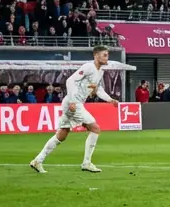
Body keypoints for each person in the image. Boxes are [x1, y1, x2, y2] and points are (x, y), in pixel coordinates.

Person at [29, 45, 120, 174]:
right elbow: (70, 81)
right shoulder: (88, 67)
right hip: (74, 103)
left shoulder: (100, 72)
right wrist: (72, 100)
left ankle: (37, 160)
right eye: (104, 55)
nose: (107, 57)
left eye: (107, 55)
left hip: (73, 103)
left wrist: (110, 99)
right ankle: (86, 163)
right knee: (95, 128)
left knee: (62, 134)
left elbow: (97, 89)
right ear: (96, 55)